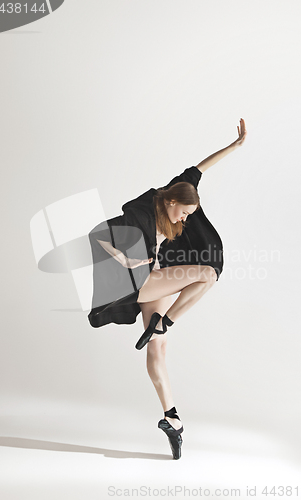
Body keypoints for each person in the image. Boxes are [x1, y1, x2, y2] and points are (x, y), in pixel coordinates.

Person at [88, 118, 247, 459]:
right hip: (137, 282)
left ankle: (171, 418)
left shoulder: (179, 189)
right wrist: (126, 261)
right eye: (184, 213)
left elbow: (199, 168)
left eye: (191, 215)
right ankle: (166, 321)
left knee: (158, 352)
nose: (184, 220)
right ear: (172, 201)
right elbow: (98, 234)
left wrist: (234, 146)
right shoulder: (143, 211)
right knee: (207, 274)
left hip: (155, 280)